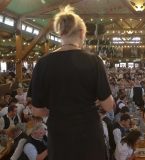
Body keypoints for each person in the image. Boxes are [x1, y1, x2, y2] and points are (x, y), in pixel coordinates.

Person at [27, 5, 113, 160]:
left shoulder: (43, 63)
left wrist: (57, 112)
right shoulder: (94, 60)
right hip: (89, 132)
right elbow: (107, 106)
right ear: (81, 33)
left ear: (60, 33)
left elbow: (37, 111)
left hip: (59, 133)